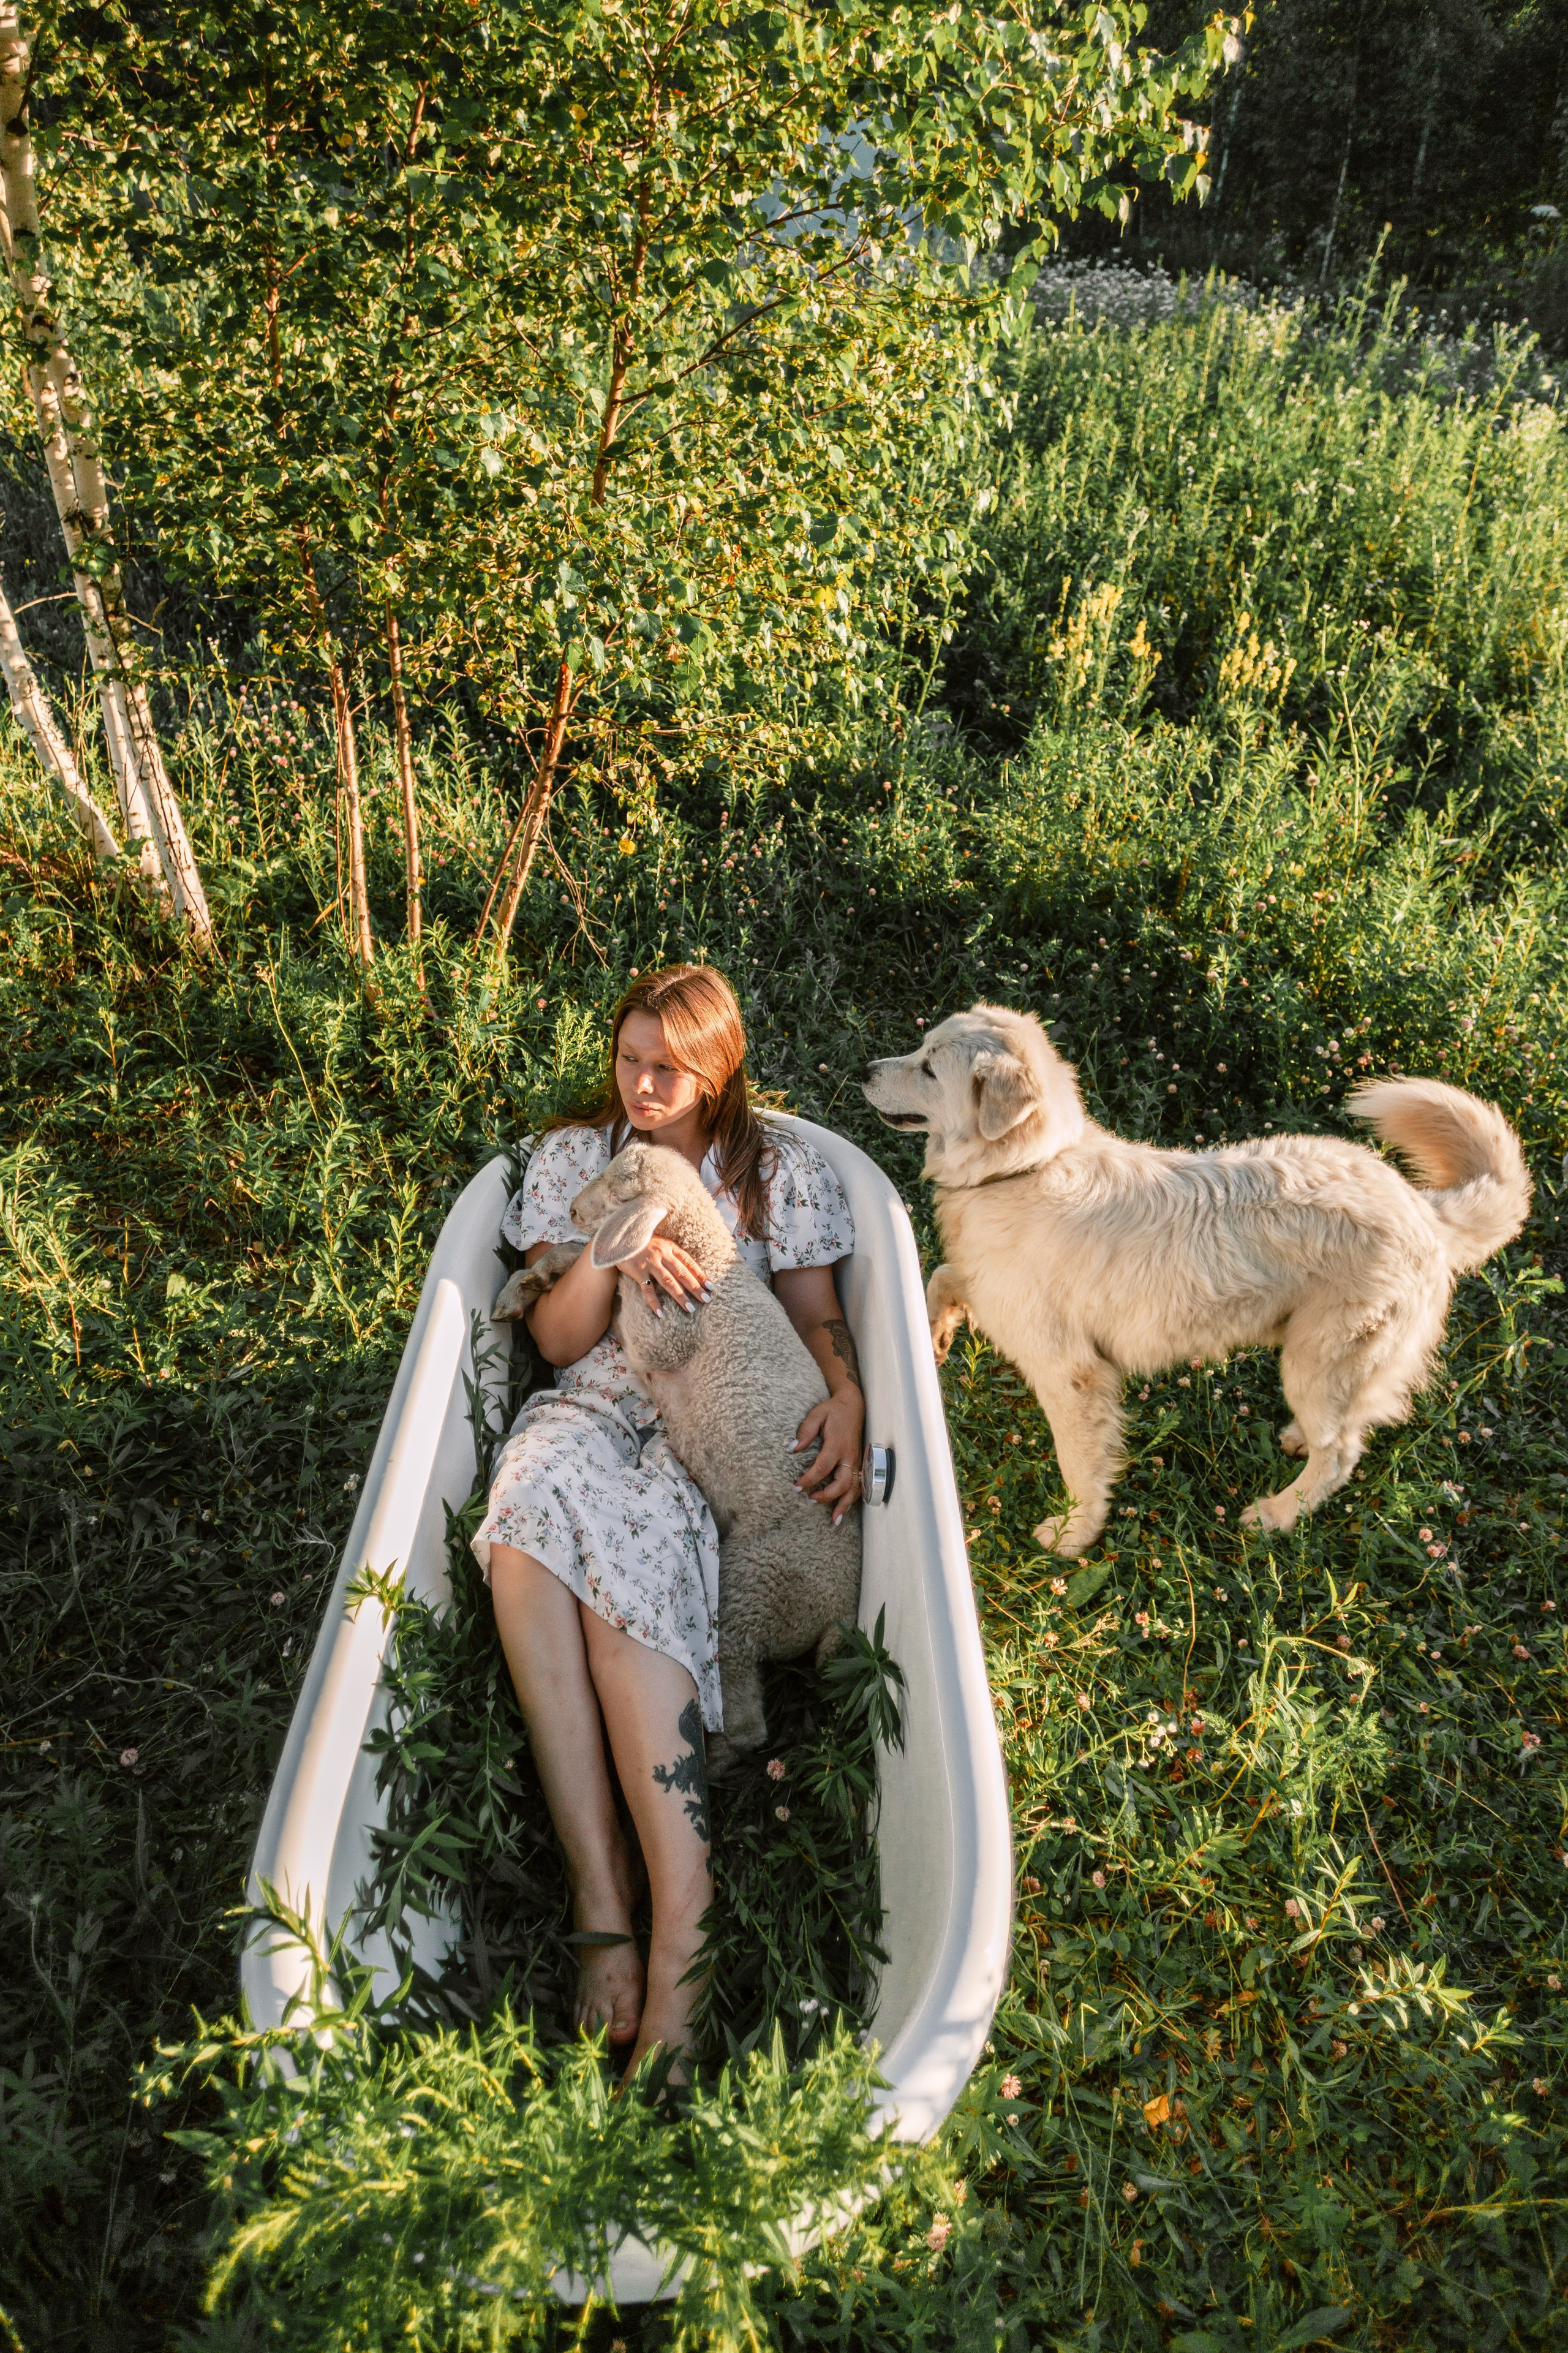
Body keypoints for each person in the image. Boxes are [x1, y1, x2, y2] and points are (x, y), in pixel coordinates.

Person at [473, 964, 864, 2077]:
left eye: (669, 1068)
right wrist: (616, 1246)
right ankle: (604, 1899)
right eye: (629, 1058)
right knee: (525, 1515)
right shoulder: (576, 1162)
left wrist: (847, 1395)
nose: (644, 1086)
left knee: (626, 1598)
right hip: (596, 1397)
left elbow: (818, 1317)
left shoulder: (774, 1169)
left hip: (710, 1436)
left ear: (717, 1070)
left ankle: (683, 1927)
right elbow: (552, 1345)